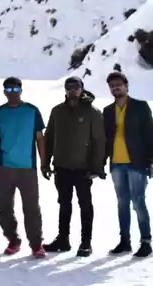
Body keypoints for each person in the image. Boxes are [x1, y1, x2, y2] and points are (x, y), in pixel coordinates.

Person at [41, 76, 106, 257]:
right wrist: (45, 162)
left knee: (85, 205)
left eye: (75, 87)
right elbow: (50, 138)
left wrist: (97, 167)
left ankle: (86, 242)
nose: (72, 91)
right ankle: (63, 239)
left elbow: (99, 141)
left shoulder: (92, 113)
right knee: (64, 204)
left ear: (81, 89)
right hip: (61, 166)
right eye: (69, 87)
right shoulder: (57, 111)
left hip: (83, 168)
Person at [103, 71, 153, 258]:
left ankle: (146, 242)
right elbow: (105, 140)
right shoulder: (108, 111)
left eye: (119, 84)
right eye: (112, 85)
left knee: (138, 202)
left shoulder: (140, 107)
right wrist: (100, 164)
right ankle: (125, 241)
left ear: (126, 85)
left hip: (136, 163)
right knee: (122, 204)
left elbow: (149, 135)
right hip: (117, 164)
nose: (115, 87)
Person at [0, 77, 48, 258]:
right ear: (4, 91)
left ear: (21, 90)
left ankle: (36, 244)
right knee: (3, 206)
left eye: (15, 89)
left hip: (27, 168)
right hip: (4, 167)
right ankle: (13, 240)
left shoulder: (32, 111)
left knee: (31, 208)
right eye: (8, 89)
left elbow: (40, 138)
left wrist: (44, 163)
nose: (12, 92)